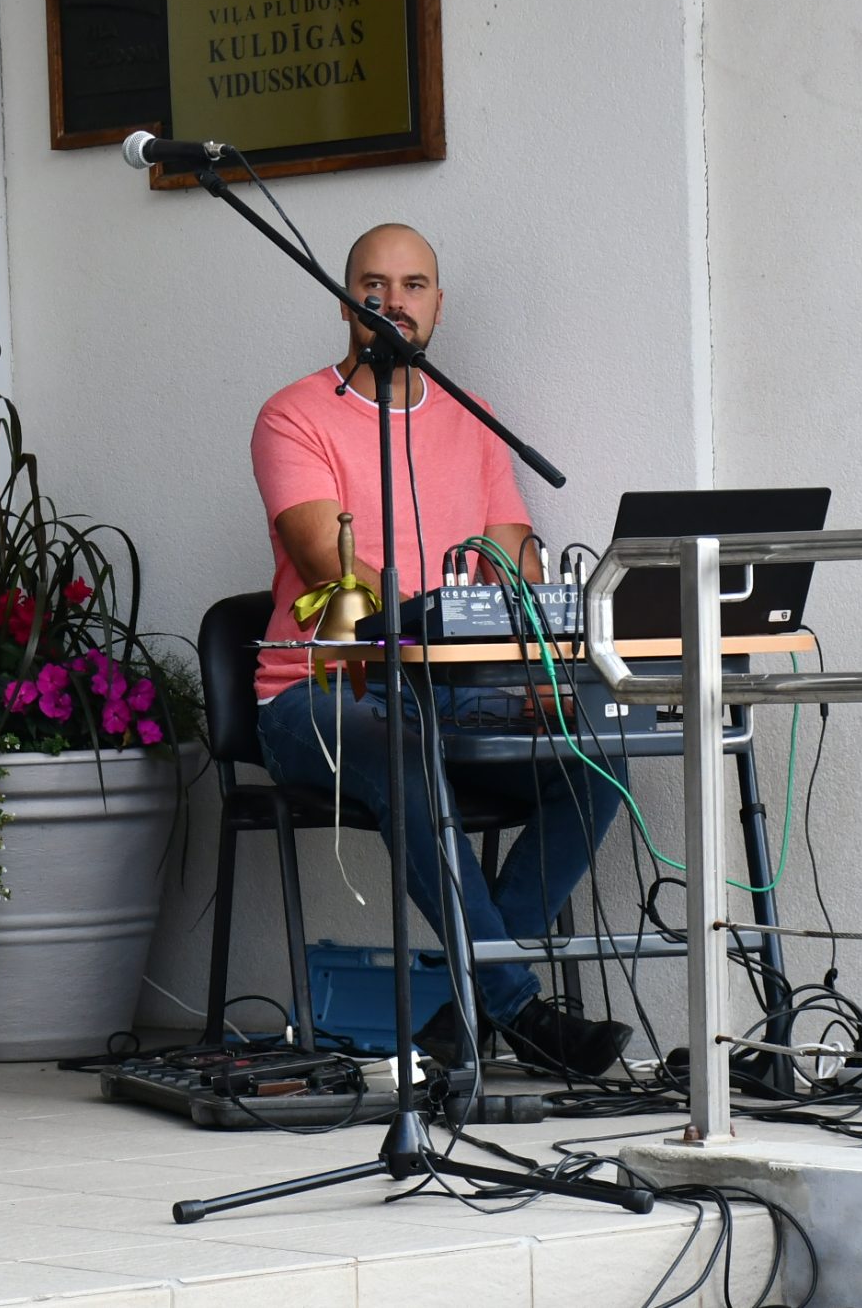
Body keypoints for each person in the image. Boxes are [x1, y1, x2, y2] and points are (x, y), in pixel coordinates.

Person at [249, 222, 631, 1079]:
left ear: (438, 304)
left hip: (452, 691)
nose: (393, 301)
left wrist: (529, 645)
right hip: (320, 693)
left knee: (598, 760)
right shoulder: (293, 415)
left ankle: (467, 1010)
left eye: (413, 285)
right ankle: (518, 1008)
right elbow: (327, 560)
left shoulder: (473, 418)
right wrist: (439, 615)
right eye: (374, 285)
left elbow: (515, 557)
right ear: (344, 300)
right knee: (405, 751)